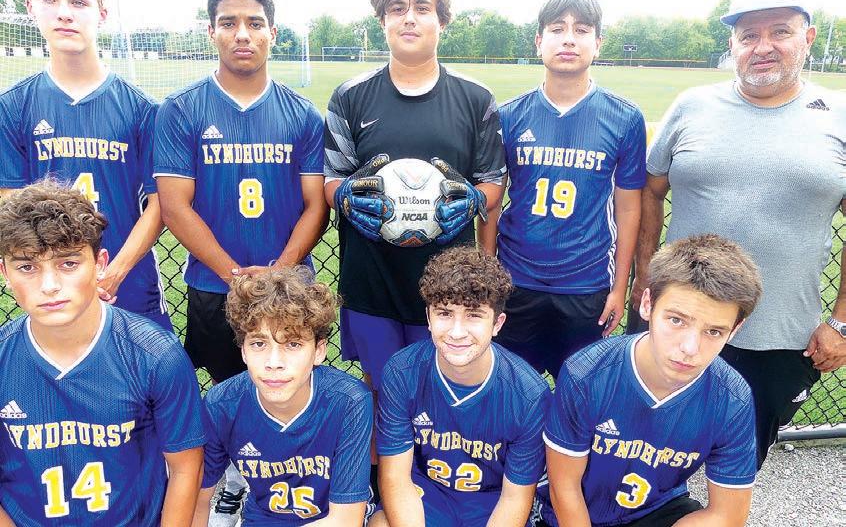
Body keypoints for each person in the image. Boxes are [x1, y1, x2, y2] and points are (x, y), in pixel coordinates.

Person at [630, 0, 846, 468]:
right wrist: (644, 274)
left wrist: (841, 320)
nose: (763, 47)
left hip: (779, 336)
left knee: (738, 462)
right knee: (641, 446)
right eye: (749, 36)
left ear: (807, 39)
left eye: (780, 32)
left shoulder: (838, 114)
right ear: (733, 44)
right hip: (678, 321)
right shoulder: (692, 105)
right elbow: (650, 190)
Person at [155, 0, 327, 521]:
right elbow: (174, 205)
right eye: (229, 23)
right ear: (211, 32)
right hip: (213, 285)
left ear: (273, 31)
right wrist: (235, 275)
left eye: (254, 23)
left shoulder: (303, 114)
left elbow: (316, 205)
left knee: (286, 385)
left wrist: (279, 273)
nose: (242, 34)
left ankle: (288, 477)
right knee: (230, 389)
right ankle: (234, 478)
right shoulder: (181, 110)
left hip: (289, 286)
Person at [323, 0, 506, 394]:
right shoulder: (350, 96)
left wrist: (474, 198)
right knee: (381, 390)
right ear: (382, 21)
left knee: (441, 390)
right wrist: (345, 196)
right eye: (397, 9)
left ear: (442, 22)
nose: (409, 18)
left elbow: (493, 182)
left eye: (422, 9)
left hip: (450, 284)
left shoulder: (475, 98)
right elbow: (332, 180)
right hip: (371, 276)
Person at [0, 180, 205, 525]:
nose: (49, 286)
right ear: (4, 272)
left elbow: (186, 467)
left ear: (99, 263)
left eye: (68, 263)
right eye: (27, 267)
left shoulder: (155, 355)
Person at [541, 234, 761, 527]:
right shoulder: (587, 374)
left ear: (735, 329)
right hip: (578, 512)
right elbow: (565, 488)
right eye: (676, 320)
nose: (690, 348)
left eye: (713, 332)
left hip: (656, 510)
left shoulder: (731, 398)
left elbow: (727, 515)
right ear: (647, 304)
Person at [0, 0, 170, 329]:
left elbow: (160, 205)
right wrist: (63, 274)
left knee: (152, 364)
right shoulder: (12, 107)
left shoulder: (142, 110)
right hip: (52, 288)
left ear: (101, 13)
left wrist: (113, 272)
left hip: (129, 284)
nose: (64, 13)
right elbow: (12, 204)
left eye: (78, 2)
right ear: (30, 8)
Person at [495, 0, 645, 378]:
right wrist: (489, 276)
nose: (568, 39)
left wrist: (619, 287)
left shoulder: (625, 117)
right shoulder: (508, 115)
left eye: (581, 30)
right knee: (514, 387)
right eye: (557, 29)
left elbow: (629, 208)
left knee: (578, 391)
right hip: (515, 279)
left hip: (586, 283)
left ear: (598, 43)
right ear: (538, 41)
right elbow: (492, 204)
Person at [370, 246, 549, 527]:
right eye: (444, 313)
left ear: (497, 323)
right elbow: (396, 478)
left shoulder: (528, 395)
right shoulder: (402, 372)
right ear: (428, 318)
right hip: (427, 494)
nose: (456, 332)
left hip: (491, 502)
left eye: (473, 315)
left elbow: (514, 498)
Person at [192, 268, 372, 525]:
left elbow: (345, 519)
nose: (274, 362)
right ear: (243, 350)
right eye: (259, 344)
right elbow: (197, 499)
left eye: (293, 344)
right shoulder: (222, 404)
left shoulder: (348, 401)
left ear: (319, 351)